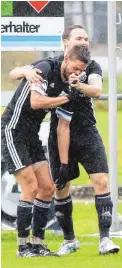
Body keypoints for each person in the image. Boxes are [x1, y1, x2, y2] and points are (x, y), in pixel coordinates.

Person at [10, 25, 120, 255]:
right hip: (32, 131)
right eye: (79, 38)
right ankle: (37, 245)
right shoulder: (51, 67)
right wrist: (23, 70)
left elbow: (97, 91)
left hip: (73, 132)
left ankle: (41, 242)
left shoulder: (84, 69)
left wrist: (77, 86)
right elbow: (38, 103)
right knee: (44, 186)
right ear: (65, 45)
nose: (84, 41)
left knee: (61, 185)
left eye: (87, 38)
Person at [3, 44, 91, 257]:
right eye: (75, 68)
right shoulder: (46, 68)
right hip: (12, 131)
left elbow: (63, 125)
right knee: (30, 187)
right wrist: (67, 97)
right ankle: (22, 247)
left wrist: (62, 164)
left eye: (81, 71)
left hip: (31, 136)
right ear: (67, 59)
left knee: (47, 188)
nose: (76, 73)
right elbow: (36, 102)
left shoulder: (70, 82)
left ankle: (36, 243)